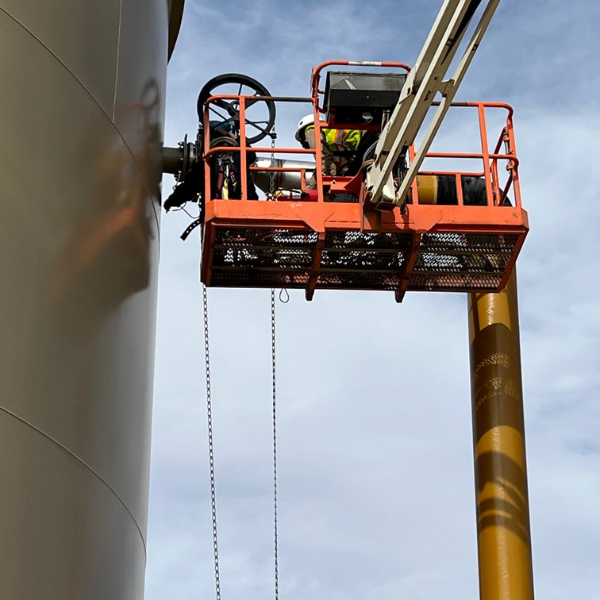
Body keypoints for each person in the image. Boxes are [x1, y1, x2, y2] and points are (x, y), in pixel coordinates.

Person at [295, 114, 362, 189]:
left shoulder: (310, 130)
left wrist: (325, 174)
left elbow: (323, 156)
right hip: (357, 162)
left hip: (356, 163)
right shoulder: (331, 133)